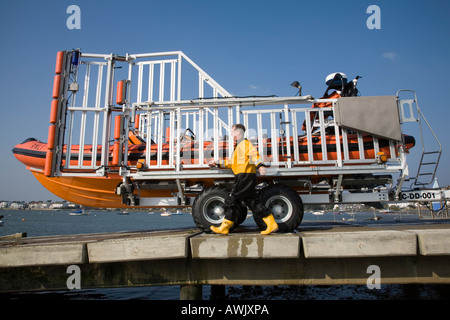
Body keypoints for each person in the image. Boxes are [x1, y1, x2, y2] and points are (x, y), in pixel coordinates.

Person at [208, 124, 279, 235]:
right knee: (252, 202)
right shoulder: (239, 146)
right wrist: (217, 163)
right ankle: (271, 223)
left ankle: (224, 227)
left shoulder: (245, 144)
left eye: (232, 131)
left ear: (238, 132)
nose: (231, 134)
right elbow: (232, 163)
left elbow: (254, 154)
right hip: (245, 176)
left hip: (244, 177)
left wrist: (260, 165)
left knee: (232, 200)